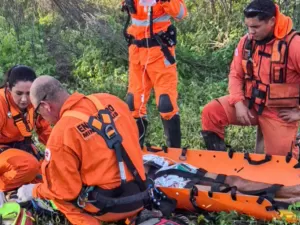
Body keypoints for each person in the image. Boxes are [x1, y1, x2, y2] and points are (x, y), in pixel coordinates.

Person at [16, 76, 148, 225]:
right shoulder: (110, 100)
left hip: (111, 205)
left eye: (39, 113)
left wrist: (33, 191)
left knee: (60, 199)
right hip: (142, 193)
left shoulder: (62, 133)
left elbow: (64, 190)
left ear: (46, 106)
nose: (43, 118)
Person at [201, 0, 300, 158]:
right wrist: (238, 103)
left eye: (255, 27)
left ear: (271, 21)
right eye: (248, 26)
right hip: (251, 104)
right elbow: (235, 74)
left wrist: (298, 114)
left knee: (282, 164)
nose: (251, 31)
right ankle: (218, 163)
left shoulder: (294, 45)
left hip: (279, 113)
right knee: (211, 112)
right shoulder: (247, 42)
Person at [122, 0, 187, 148]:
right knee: (133, 104)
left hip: (160, 52)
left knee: (166, 104)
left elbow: (181, 12)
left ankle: (174, 155)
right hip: (137, 53)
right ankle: (136, 153)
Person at [0, 65, 52, 206]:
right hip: (4, 154)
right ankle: (3, 189)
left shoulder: (35, 102)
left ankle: (20, 188)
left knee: (50, 172)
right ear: (9, 88)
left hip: (21, 149)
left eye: (29, 93)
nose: (24, 99)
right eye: (19, 93)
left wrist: (61, 152)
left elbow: (46, 131)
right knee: (29, 166)